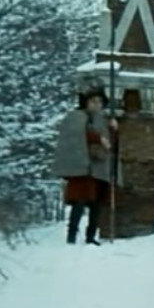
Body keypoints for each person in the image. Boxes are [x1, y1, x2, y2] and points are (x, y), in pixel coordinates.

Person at [52, 88, 119, 246]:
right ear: (86, 103)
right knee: (79, 202)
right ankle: (71, 237)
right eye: (93, 101)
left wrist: (113, 129)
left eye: (100, 102)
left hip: (99, 168)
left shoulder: (104, 120)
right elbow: (75, 135)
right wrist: (97, 138)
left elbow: (112, 144)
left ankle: (91, 237)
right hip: (81, 168)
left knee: (96, 204)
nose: (97, 105)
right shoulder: (76, 117)